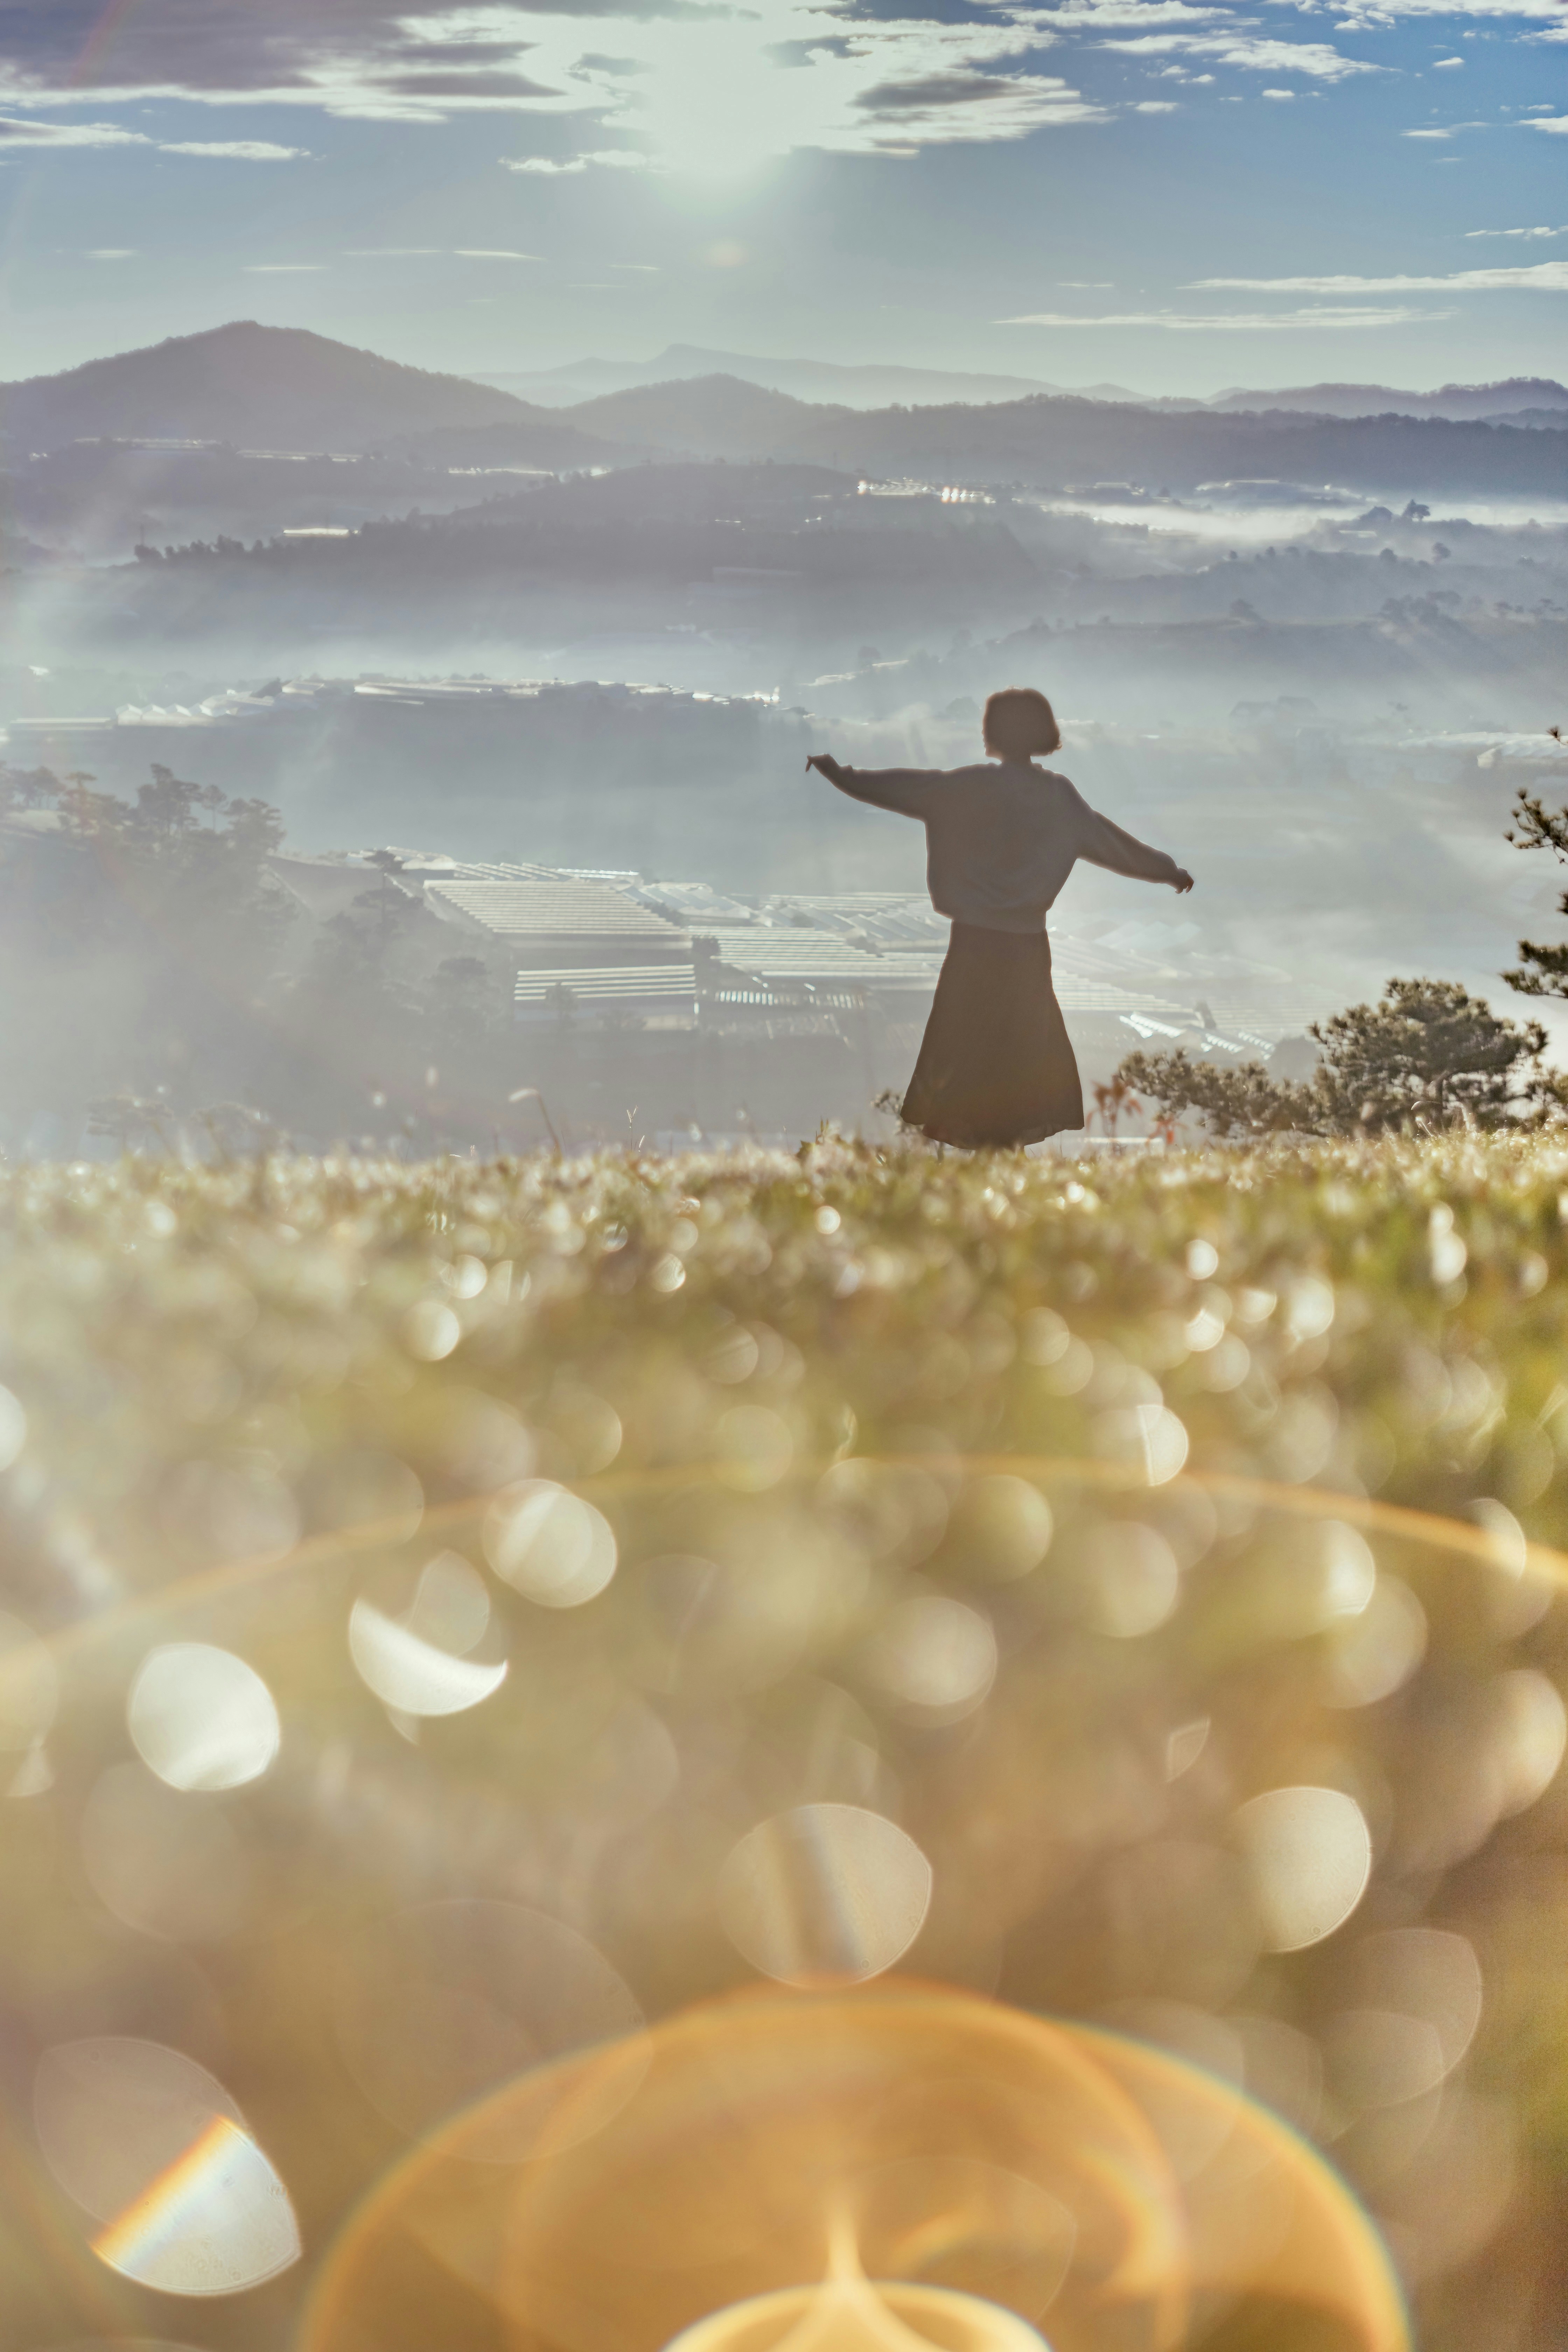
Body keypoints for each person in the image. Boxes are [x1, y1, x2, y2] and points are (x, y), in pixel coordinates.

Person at [806, 686, 1193, 1148]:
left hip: (972, 946)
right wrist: (1166, 871)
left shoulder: (968, 788)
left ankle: (989, 1158)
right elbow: (1113, 844)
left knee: (969, 1052)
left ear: (991, 732)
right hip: (1028, 950)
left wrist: (839, 774)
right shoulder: (1058, 797)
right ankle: (1005, 1156)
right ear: (1045, 733)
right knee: (1022, 1055)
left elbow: (898, 788)